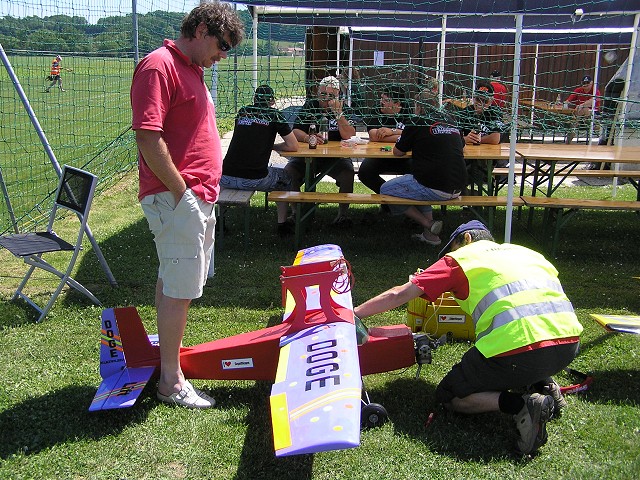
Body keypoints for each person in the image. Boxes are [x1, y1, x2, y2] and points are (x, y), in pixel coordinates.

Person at [354, 220, 583, 456]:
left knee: (451, 395)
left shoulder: (461, 260)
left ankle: (523, 406)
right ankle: (543, 382)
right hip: (568, 345)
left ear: (466, 240)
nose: (450, 255)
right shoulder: (528, 254)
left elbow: (398, 294)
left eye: (452, 248)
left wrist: (354, 313)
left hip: (519, 350)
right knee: (526, 348)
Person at [131, 1, 244, 409]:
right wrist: (182, 195)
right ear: (200, 29)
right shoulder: (158, 65)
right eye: (223, 44)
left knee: (173, 284)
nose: (224, 55)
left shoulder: (192, 70)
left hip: (195, 196)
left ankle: (167, 364)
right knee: (180, 290)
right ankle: (170, 383)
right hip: (180, 197)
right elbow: (147, 137)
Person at [378, 89, 466, 246]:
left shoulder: (417, 121)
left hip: (435, 187)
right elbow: (461, 146)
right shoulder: (451, 121)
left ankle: (428, 224)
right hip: (458, 187)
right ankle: (431, 237)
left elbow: (397, 152)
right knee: (419, 183)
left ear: (418, 106)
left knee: (386, 190)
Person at [220, 84, 299, 236]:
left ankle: (220, 222)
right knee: (285, 178)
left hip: (226, 176)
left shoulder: (243, 112)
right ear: (272, 102)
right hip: (253, 179)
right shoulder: (274, 115)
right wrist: (273, 146)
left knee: (232, 180)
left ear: (254, 99)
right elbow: (293, 145)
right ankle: (284, 224)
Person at [287, 75, 357, 227]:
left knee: (348, 172)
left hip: (335, 158)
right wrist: (308, 137)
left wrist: (338, 114)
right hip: (309, 155)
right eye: (323, 94)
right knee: (289, 171)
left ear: (338, 96)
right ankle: (295, 213)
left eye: (331, 95)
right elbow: (295, 130)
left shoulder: (343, 108)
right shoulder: (310, 105)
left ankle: (343, 215)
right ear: (317, 93)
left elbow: (349, 135)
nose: (326, 99)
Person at [358, 85, 412, 196]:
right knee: (364, 171)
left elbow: (412, 134)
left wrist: (391, 131)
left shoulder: (408, 111)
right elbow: (373, 135)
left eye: (386, 100)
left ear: (397, 104)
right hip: (380, 157)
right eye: (381, 98)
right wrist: (402, 134)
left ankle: (409, 202)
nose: (381, 102)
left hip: (404, 157)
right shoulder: (376, 110)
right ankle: (389, 198)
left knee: (419, 170)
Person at [564, 75, 601, 144]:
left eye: (587, 83)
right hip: (579, 115)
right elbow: (569, 100)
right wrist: (565, 103)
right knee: (573, 117)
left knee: (584, 109)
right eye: (584, 83)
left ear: (591, 83)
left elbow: (592, 101)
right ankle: (568, 140)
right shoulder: (578, 90)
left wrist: (582, 105)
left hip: (593, 114)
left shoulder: (595, 91)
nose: (585, 85)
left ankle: (594, 125)